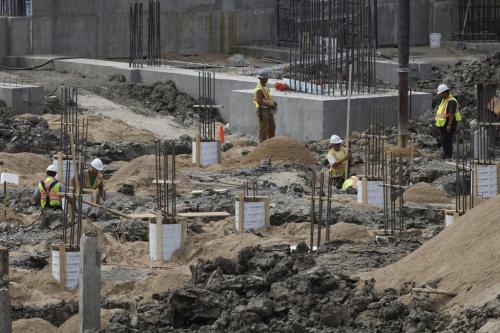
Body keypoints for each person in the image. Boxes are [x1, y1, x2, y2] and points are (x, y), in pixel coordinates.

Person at [435, 83, 462, 159]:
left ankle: (448, 155)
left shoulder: (451, 101)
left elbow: (451, 113)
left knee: (447, 140)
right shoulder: (445, 100)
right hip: (443, 124)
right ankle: (446, 153)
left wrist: (449, 125)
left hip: (448, 124)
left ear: (445, 92)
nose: (439, 95)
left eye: (440, 93)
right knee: (444, 139)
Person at [253, 70, 277, 142]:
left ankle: (271, 143)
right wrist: (269, 103)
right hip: (262, 110)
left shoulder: (265, 86)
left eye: (267, 78)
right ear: (262, 79)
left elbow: (267, 97)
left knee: (272, 127)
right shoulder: (259, 89)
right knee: (264, 128)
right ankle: (262, 144)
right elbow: (259, 101)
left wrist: (272, 103)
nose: (267, 80)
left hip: (268, 109)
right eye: (266, 78)